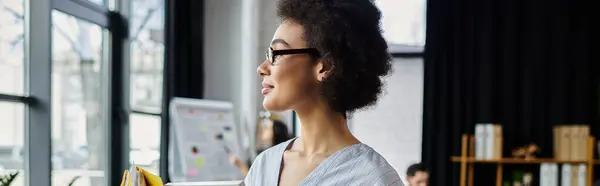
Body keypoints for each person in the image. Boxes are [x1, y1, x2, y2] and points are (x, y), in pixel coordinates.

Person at [244, 0, 402, 185]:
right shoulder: (264, 165)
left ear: (324, 66)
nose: (261, 68)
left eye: (276, 54)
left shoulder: (371, 178)